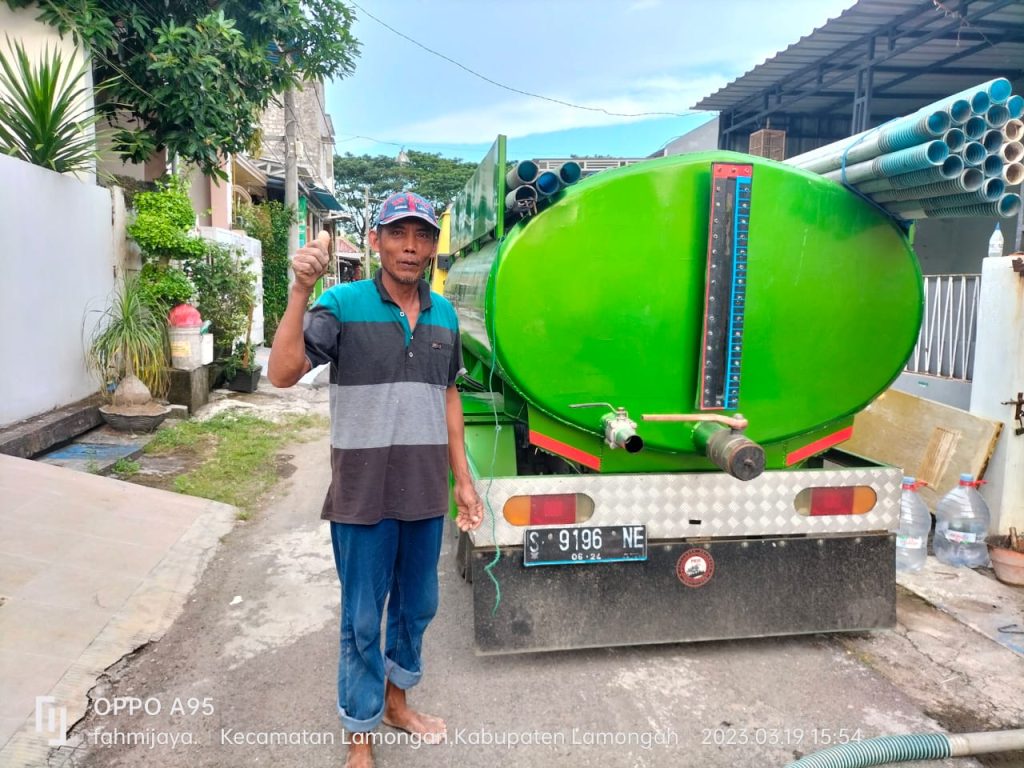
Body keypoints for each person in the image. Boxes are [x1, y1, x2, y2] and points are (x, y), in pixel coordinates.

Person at [267, 192, 484, 768]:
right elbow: (282, 373)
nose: (410, 246)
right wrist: (299, 292)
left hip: (425, 491)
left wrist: (462, 480)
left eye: (422, 235)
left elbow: (448, 394)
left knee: (417, 607)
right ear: (376, 241)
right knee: (363, 617)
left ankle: (396, 704)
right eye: (398, 234)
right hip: (362, 494)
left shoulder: (444, 315)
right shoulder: (341, 304)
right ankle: (359, 732)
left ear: (432, 247)